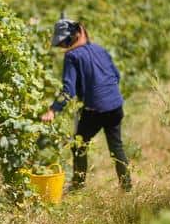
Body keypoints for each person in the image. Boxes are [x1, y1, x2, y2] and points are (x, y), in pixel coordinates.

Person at [41, 19, 132, 192]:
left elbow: (68, 90)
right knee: (116, 147)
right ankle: (127, 187)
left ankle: (77, 185)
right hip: (115, 106)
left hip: (96, 110)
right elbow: (116, 75)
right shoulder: (100, 49)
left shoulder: (72, 56)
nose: (63, 46)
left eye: (64, 41)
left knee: (79, 144)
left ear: (75, 35)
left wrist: (53, 110)